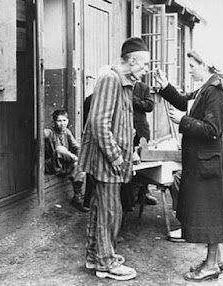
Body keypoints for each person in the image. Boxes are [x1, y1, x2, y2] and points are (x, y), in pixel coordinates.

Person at [154, 50, 223, 282]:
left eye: (191, 66)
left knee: (211, 217)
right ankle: (213, 262)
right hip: (206, 164)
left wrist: (183, 121)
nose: (189, 70)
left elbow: (212, 130)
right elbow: (184, 100)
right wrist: (166, 86)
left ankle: (209, 266)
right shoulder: (207, 88)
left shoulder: (215, 92)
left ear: (205, 65)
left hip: (209, 166)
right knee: (211, 215)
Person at [78, 37, 150, 281]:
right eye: (144, 64)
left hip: (112, 157)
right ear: (131, 61)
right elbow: (99, 123)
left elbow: (119, 123)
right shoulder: (111, 79)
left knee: (101, 208)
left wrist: (131, 149)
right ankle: (106, 264)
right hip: (107, 160)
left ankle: (93, 256)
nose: (146, 69)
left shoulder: (124, 82)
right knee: (111, 211)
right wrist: (116, 156)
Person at [121, 81, 158, 212]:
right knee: (129, 161)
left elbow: (149, 106)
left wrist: (133, 99)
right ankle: (129, 198)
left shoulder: (143, 87)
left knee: (144, 160)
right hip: (124, 129)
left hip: (141, 130)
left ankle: (143, 194)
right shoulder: (120, 85)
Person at [44, 109, 89, 212]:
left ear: (68, 121)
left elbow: (76, 147)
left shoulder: (67, 132)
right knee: (60, 149)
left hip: (63, 165)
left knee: (79, 167)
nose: (62, 123)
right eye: (59, 121)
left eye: (64, 120)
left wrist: (80, 159)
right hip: (52, 164)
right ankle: (77, 161)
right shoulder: (51, 132)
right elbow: (43, 133)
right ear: (54, 122)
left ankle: (77, 198)